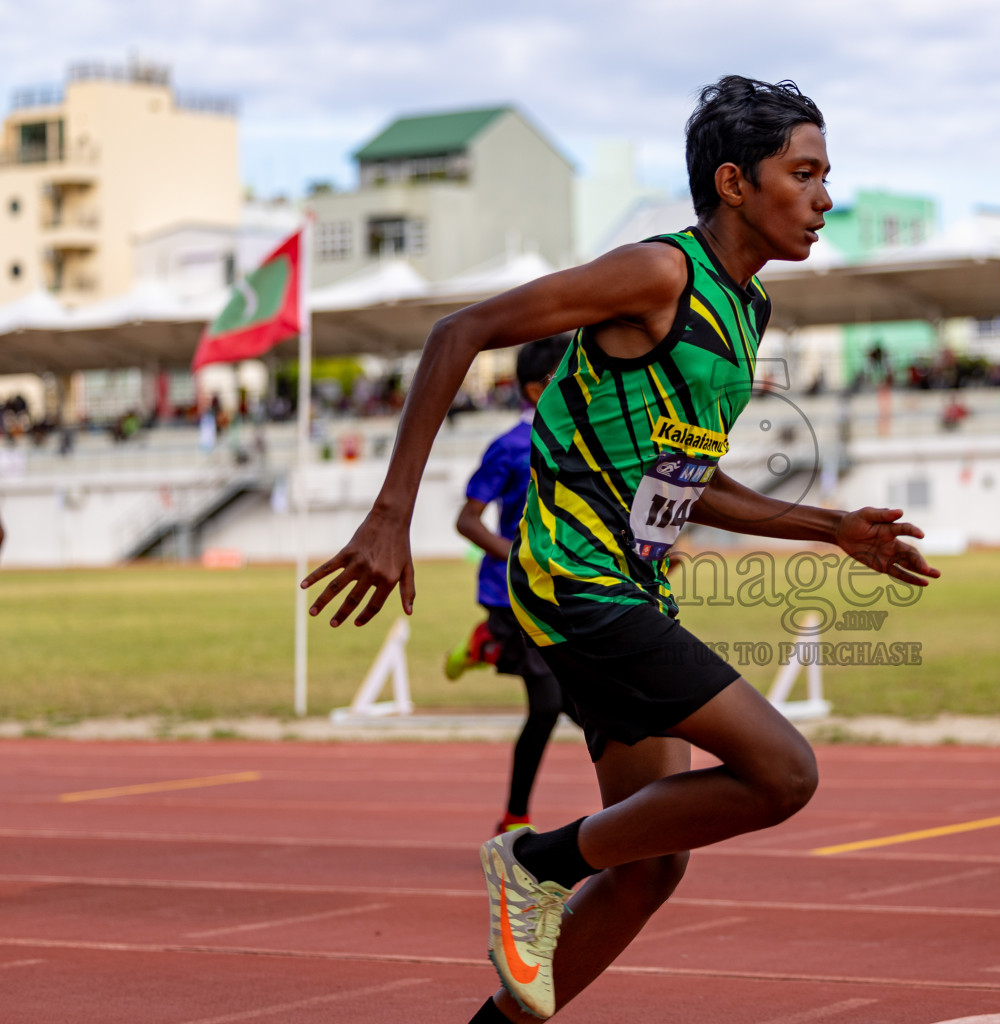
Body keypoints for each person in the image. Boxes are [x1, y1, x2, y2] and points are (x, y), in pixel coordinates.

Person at [301, 75, 939, 1022]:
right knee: (784, 773)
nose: (823, 197)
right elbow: (459, 331)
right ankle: (537, 860)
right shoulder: (658, 276)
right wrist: (391, 514)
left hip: (631, 585)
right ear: (734, 181)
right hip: (575, 582)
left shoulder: (745, 313)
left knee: (650, 867)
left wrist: (831, 530)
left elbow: (686, 485)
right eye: (802, 173)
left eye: (825, 175)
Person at [445, 337, 581, 835]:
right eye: (566, 374)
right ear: (533, 388)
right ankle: (514, 819)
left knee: (582, 708)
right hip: (514, 594)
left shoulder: (583, 440)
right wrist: (519, 557)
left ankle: (487, 643)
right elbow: (467, 520)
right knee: (551, 706)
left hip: (564, 594)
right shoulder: (508, 447)